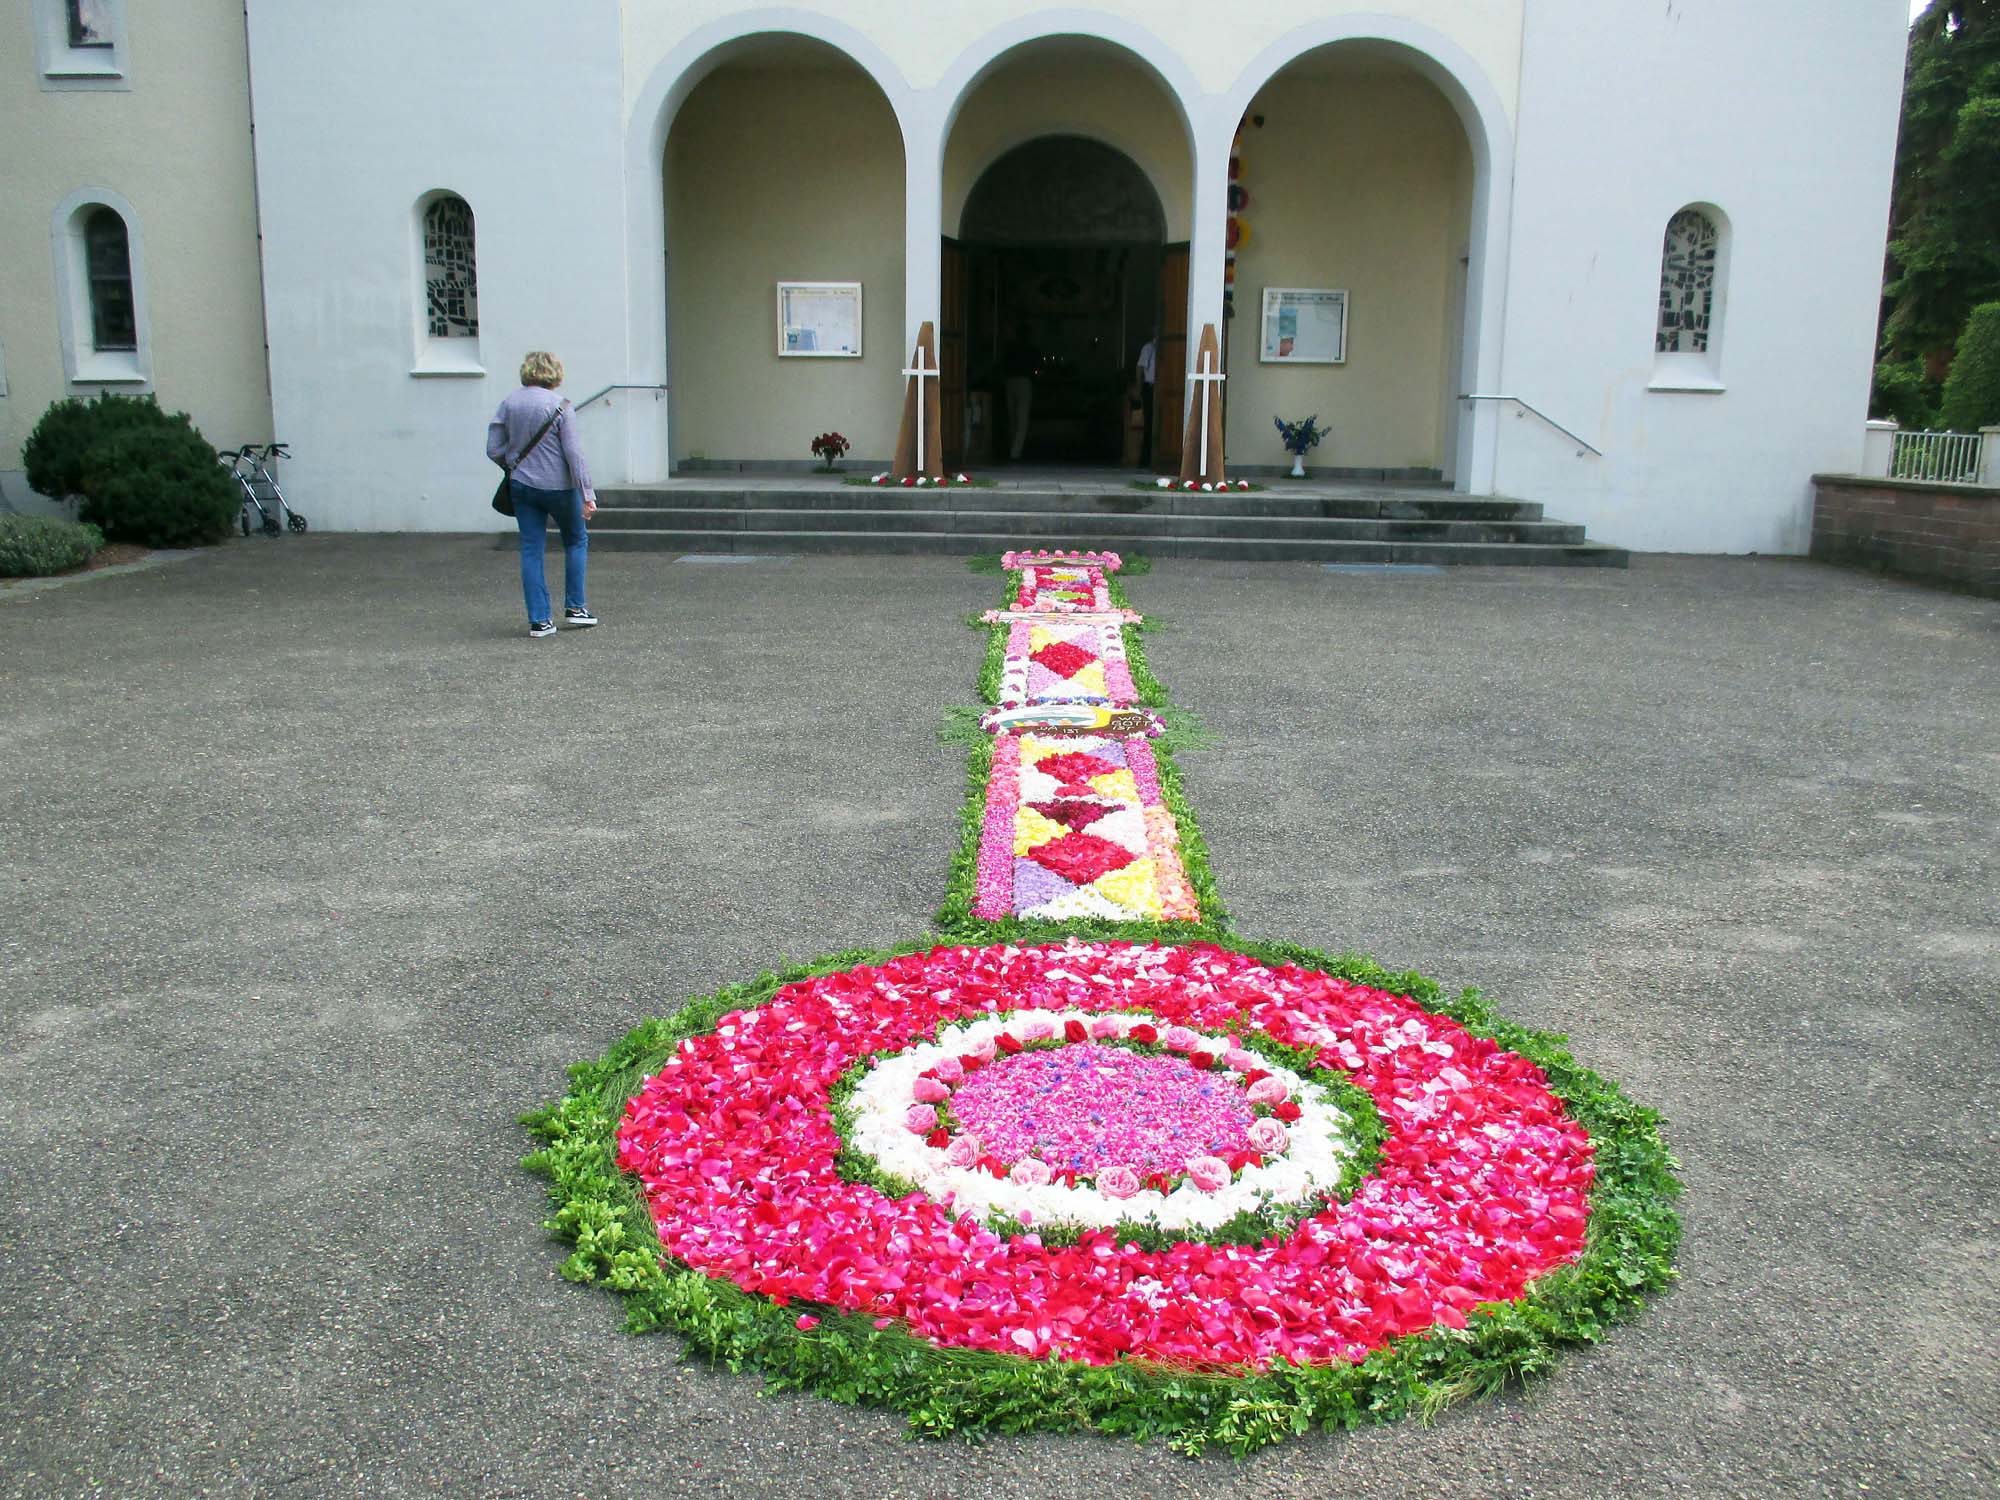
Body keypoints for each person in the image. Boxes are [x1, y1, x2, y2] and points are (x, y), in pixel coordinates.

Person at [486, 351, 597, 638]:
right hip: (560, 487)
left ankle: (540, 621)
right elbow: (574, 454)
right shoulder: (561, 406)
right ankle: (575, 608)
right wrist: (587, 493)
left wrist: (512, 464)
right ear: (555, 373)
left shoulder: (509, 403)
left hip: (522, 485)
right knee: (576, 540)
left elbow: (493, 448)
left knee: (531, 548)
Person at [1001, 322, 1039, 462]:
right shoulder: (1031, 350)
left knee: (1012, 417)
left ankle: (1012, 449)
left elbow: (1003, 364)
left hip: (1010, 381)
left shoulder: (1010, 349)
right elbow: (1037, 367)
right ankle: (1015, 453)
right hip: (1024, 381)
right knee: (1022, 419)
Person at [1134, 332, 1158, 467]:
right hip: (1150, 387)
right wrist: (1139, 389)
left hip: (1160, 388)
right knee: (1149, 423)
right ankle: (1145, 460)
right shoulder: (1148, 348)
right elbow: (1140, 368)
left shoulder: (1163, 349)